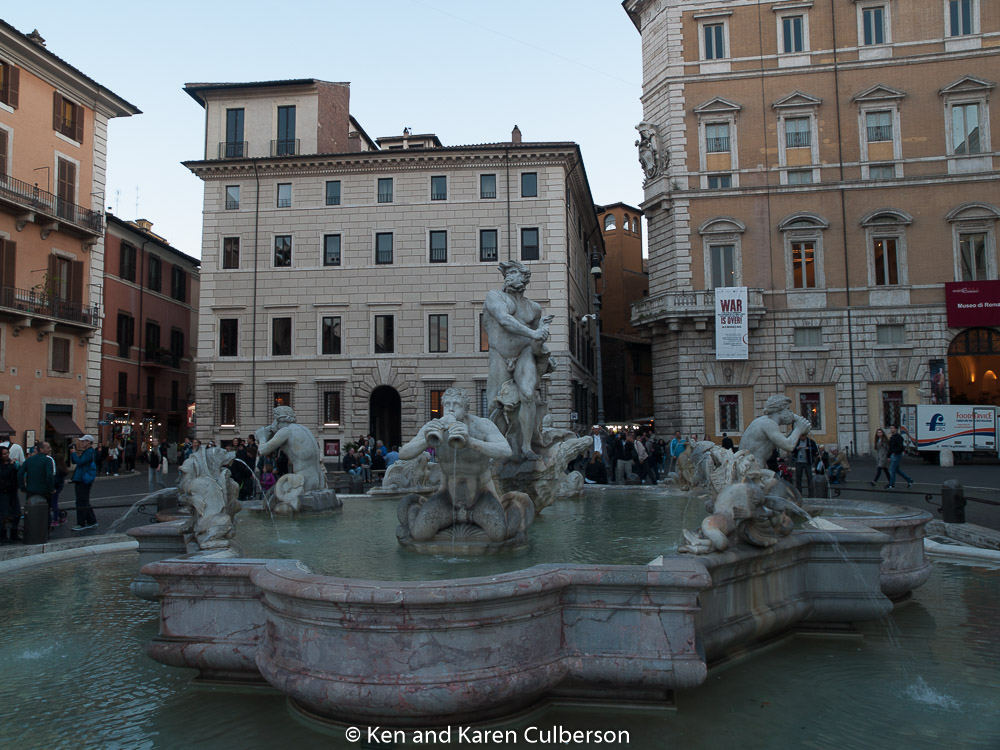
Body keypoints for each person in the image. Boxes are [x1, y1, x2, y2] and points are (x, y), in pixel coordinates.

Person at [398, 387, 514, 542]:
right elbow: (404, 454)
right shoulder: (434, 426)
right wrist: (426, 441)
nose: (451, 408)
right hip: (448, 495)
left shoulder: (481, 425)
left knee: (499, 535)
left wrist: (471, 442)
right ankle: (417, 507)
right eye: (447, 404)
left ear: (465, 409)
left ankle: (504, 509)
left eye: (456, 404)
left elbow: (506, 451)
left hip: (480, 494)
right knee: (419, 534)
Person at [483, 260, 554, 460]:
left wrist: (544, 351)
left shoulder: (534, 308)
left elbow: (537, 339)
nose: (509, 276)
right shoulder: (495, 296)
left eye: (514, 272)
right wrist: (534, 333)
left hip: (524, 352)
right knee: (493, 405)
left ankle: (526, 447)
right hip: (500, 353)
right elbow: (505, 320)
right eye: (508, 273)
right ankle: (500, 447)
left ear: (524, 279)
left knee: (528, 394)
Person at [255, 406, 326, 493]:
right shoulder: (304, 429)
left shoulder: (286, 431)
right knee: (272, 494)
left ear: (279, 419)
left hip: (303, 482)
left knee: (274, 496)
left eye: (274, 419)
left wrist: (262, 437)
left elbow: (262, 450)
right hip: (319, 479)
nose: (273, 423)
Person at [739, 395, 813, 467]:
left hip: (753, 466)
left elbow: (782, 441)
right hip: (750, 468)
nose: (791, 411)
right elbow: (789, 446)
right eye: (788, 408)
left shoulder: (764, 421)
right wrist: (798, 429)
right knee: (773, 476)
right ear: (779, 410)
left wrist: (795, 430)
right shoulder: (768, 423)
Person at [17, 442, 56, 539]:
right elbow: (49, 475)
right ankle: (45, 531)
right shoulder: (47, 460)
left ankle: (31, 531)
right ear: (41, 449)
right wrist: (52, 488)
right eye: (48, 448)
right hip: (44, 491)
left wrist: (22, 487)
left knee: (31, 511)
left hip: (31, 491)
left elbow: (20, 474)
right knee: (45, 512)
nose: (50, 449)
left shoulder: (29, 460)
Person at [68, 435, 98, 531]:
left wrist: (74, 453)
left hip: (83, 479)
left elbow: (79, 462)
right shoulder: (87, 452)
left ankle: (81, 523)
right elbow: (75, 461)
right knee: (84, 501)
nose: (81, 443)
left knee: (81, 502)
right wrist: (72, 453)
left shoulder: (89, 452)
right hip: (81, 479)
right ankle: (92, 520)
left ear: (88, 442)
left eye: (83, 441)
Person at [0, 445, 20, 542]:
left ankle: (14, 533)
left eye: (7, 453)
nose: (7, 455)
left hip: (12, 490)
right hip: (3, 491)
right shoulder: (5, 465)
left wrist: (16, 466)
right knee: (3, 514)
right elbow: (3, 474)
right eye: (4, 454)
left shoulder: (11, 463)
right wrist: (11, 466)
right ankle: (2, 535)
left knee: (17, 513)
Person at [887, 425, 913, 489]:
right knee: (897, 470)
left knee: (892, 470)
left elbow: (901, 447)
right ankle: (909, 480)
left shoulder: (898, 437)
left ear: (895, 429)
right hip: (892, 455)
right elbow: (890, 448)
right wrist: (888, 456)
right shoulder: (892, 437)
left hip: (896, 455)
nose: (891, 429)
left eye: (892, 428)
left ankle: (891, 485)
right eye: (890, 428)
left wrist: (895, 452)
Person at [50, 453, 68, 528]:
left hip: (55, 488)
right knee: (53, 503)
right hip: (58, 487)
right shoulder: (62, 469)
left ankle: (55, 520)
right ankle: (61, 515)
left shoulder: (57, 470)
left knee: (53, 504)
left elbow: (55, 480)